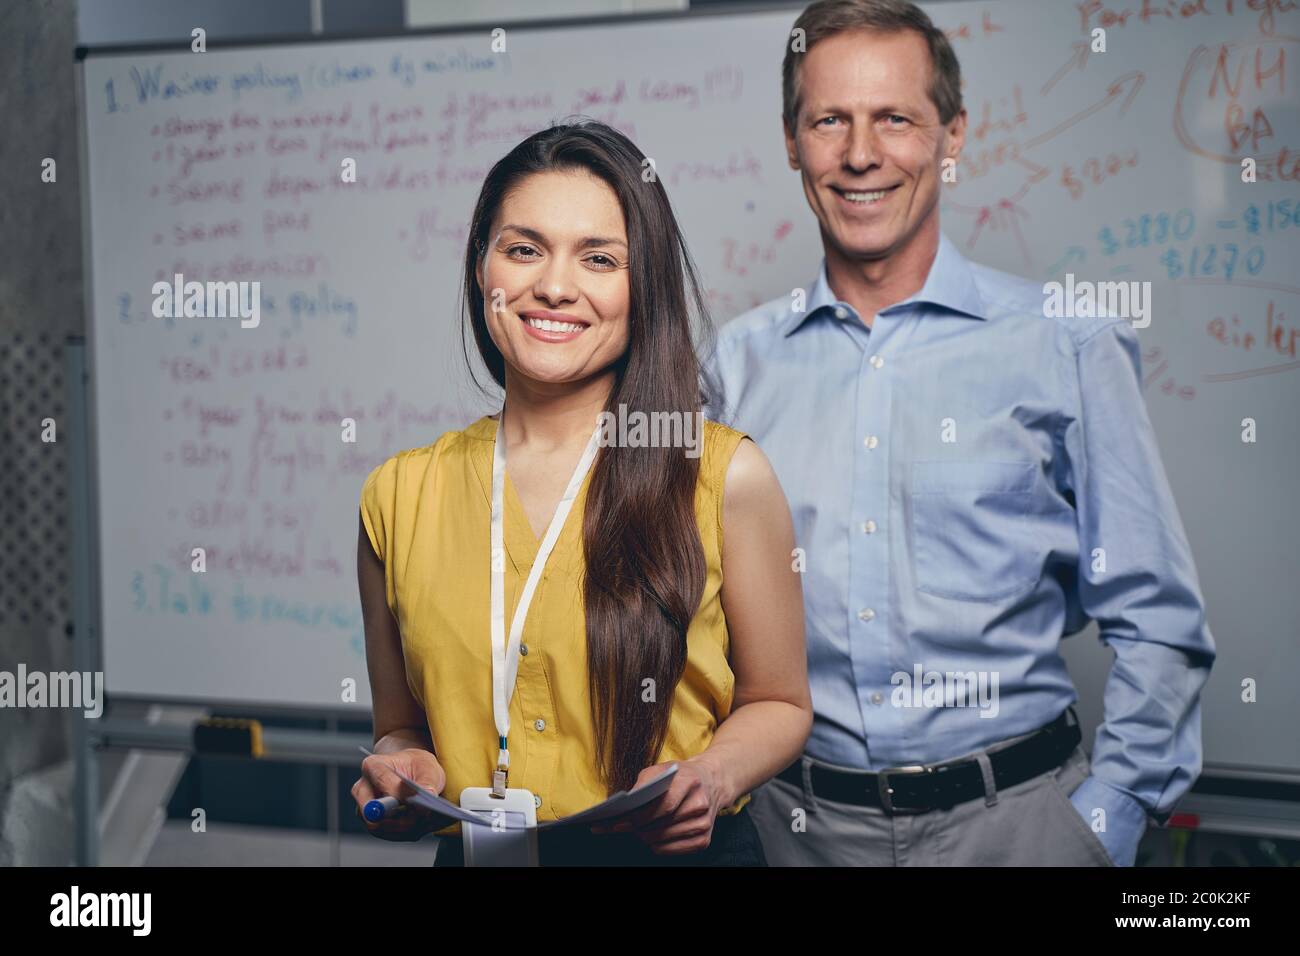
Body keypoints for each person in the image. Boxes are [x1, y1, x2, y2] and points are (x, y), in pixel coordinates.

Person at [702, 0, 1215, 866]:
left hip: (1021, 830)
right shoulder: (732, 368)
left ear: (953, 138)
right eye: (830, 120)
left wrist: (1106, 819)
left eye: (895, 119)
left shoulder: (1068, 345)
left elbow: (1158, 619)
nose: (861, 154)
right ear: (793, 142)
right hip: (796, 835)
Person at [352, 120, 812, 866]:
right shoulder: (398, 496)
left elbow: (781, 703)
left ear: (643, 284)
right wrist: (405, 770)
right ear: (481, 269)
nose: (555, 286)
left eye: (599, 258)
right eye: (524, 249)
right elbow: (400, 728)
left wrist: (709, 777)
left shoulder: (725, 476)